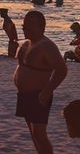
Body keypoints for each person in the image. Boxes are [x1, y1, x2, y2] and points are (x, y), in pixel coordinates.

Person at [14, 10, 68, 154]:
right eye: (24, 25)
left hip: (38, 95)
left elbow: (62, 70)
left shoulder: (47, 46)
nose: (24, 28)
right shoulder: (26, 43)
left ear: (40, 27)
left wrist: (47, 91)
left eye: (29, 26)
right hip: (24, 95)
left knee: (39, 134)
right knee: (32, 132)